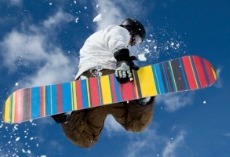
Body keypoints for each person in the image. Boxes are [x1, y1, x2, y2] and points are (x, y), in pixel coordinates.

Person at [52, 18, 155, 148]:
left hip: (89, 87)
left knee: (86, 139)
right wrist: (122, 60)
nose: (133, 43)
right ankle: (143, 100)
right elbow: (116, 40)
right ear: (132, 30)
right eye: (137, 40)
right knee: (137, 124)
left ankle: (67, 112)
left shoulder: (92, 39)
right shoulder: (119, 31)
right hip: (111, 79)